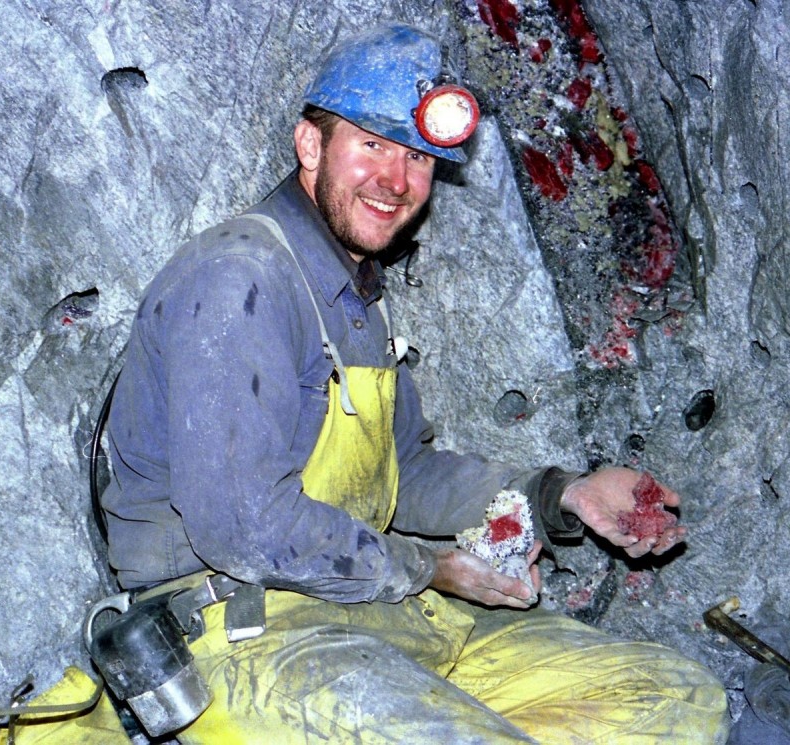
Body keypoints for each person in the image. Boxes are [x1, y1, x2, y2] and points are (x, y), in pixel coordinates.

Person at [102, 22, 729, 743]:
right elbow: (243, 528)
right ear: (311, 146)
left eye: (418, 158)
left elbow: (409, 472)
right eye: (371, 144)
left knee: (674, 697)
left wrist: (562, 494)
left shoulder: (356, 295)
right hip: (252, 638)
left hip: (375, 614)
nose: (396, 181)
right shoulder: (240, 276)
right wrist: (428, 566)